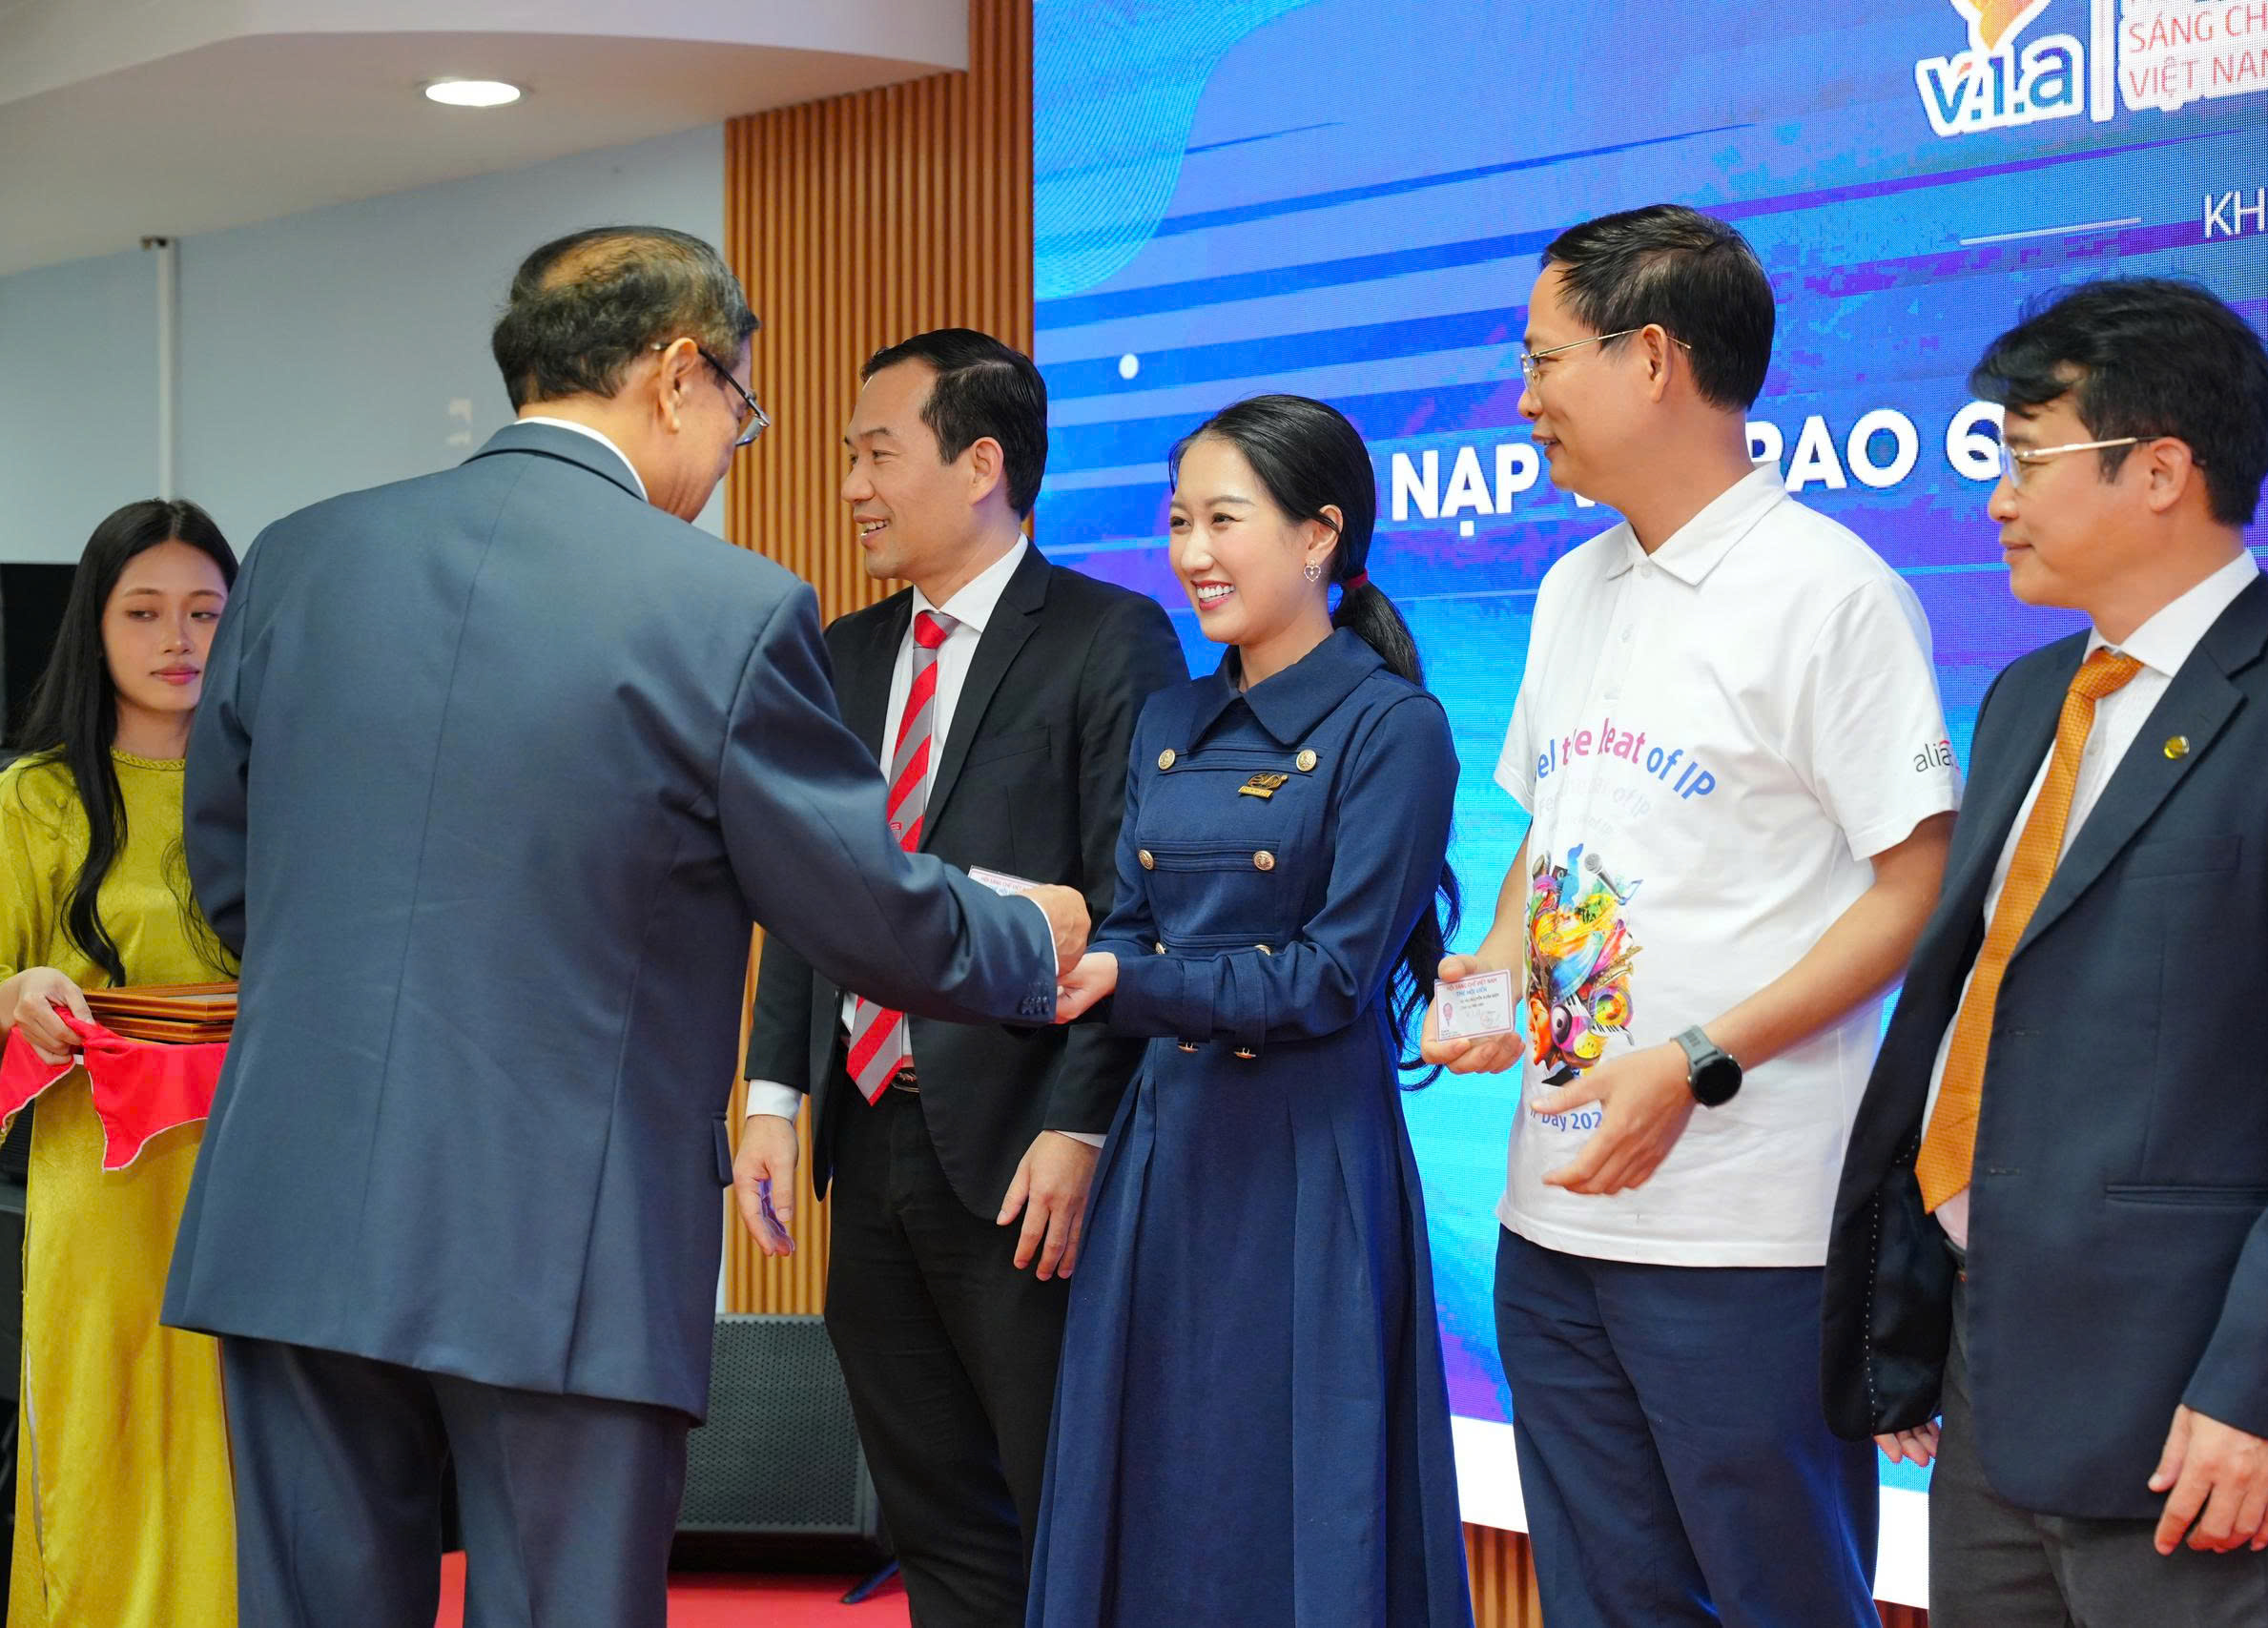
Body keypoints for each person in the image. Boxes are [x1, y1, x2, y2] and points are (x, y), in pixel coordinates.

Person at [160, 227, 1087, 1628]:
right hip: (566, 1243)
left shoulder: (298, 559)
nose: (730, 450)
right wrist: (1033, 933)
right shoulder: (721, 608)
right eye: (740, 409)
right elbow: (858, 906)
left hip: (296, 1214)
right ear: (676, 374)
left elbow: (234, 878)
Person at [1823, 278, 2268, 1628]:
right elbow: (1982, 1007)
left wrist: (2265, 1391)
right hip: (1988, 1368)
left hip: (2189, 1406)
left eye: (2028, 459)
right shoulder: (2028, 696)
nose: (1997, 501)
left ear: (2158, 471)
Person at [1425, 204, 1960, 1628]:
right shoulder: (1572, 586)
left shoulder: (1831, 595)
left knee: (1783, 1594)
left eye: (1544, 359)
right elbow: (1553, 830)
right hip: (1552, 1218)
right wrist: (1493, 970)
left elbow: (1916, 888)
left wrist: (1698, 1059)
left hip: (1745, 1234)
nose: (1523, 399)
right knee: (1606, 1596)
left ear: (1653, 357)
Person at [737, 328, 1184, 1628]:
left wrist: (1081, 1123)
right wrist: (773, 1095)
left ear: (981, 463)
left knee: (1064, 1505)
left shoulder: (1109, 638)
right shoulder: (838, 651)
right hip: (870, 1129)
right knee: (931, 1509)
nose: (853, 486)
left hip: (1024, 1147)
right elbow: (805, 886)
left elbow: (1135, 909)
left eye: (878, 454)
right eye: (851, 457)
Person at [1029, 394, 1473, 1628]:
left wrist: (1126, 980)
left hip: (1306, 1157)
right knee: (1160, 1477)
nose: (1193, 553)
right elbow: (1132, 919)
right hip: (1167, 1146)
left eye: (1223, 519)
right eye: (1179, 521)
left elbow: (1331, 978)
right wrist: (1064, 946)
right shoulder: (1170, 717)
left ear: (1319, 534)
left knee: (1301, 1481)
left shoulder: (1395, 727)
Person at [0, 499, 239, 1626]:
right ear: (95, 625)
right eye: (143, 612)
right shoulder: (31, 800)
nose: (178, 639)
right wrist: (12, 998)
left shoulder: (280, 789)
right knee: (101, 1443)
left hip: (256, 1180)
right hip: (102, 1186)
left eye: (205, 612)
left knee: (244, 1454)